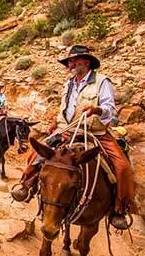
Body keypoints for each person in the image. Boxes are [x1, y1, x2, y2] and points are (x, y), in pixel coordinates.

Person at [13, 45, 135, 230]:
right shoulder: (69, 84)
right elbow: (66, 107)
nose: (71, 64)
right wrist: (56, 121)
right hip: (66, 130)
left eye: (75, 61)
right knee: (36, 155)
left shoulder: (102, 82)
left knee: (122, 166)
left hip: (94, 132)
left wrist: (97, 110)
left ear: (86, 62)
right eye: (70, 61)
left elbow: (110, 109)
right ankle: (26, 185)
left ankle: (119, 209)